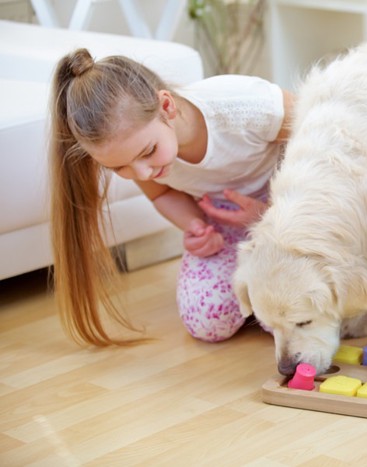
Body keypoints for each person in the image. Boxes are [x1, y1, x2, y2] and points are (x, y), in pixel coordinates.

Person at [49, 48, 294, 346]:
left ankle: (263, 299)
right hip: (224, 218)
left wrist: (271, 213)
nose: (142, 173)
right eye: (118, 167)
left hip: (291, 206)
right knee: (207, 322)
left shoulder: (243, 104)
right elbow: (163, 193)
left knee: (291, 316)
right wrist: (195, 226)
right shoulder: (141, 162)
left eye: (148, 152)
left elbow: (322, 144)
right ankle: (255, 296)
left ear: (166, 106)